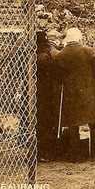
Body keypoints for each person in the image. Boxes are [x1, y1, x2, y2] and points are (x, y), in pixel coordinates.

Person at [53, 27, 95, 161]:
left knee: (73, 124)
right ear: (79, 38)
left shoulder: (60, 55)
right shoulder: (88, 51)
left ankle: (75, 155)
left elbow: (57, 77)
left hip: (70, 95)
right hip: (90, 95)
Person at [36, 31, 61, 161]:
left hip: (39, 94)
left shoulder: (36, 55)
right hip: (47, 95)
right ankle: (46, 152)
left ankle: (42, 151)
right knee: (47, 123)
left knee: (41, 123)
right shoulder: (47, 56)